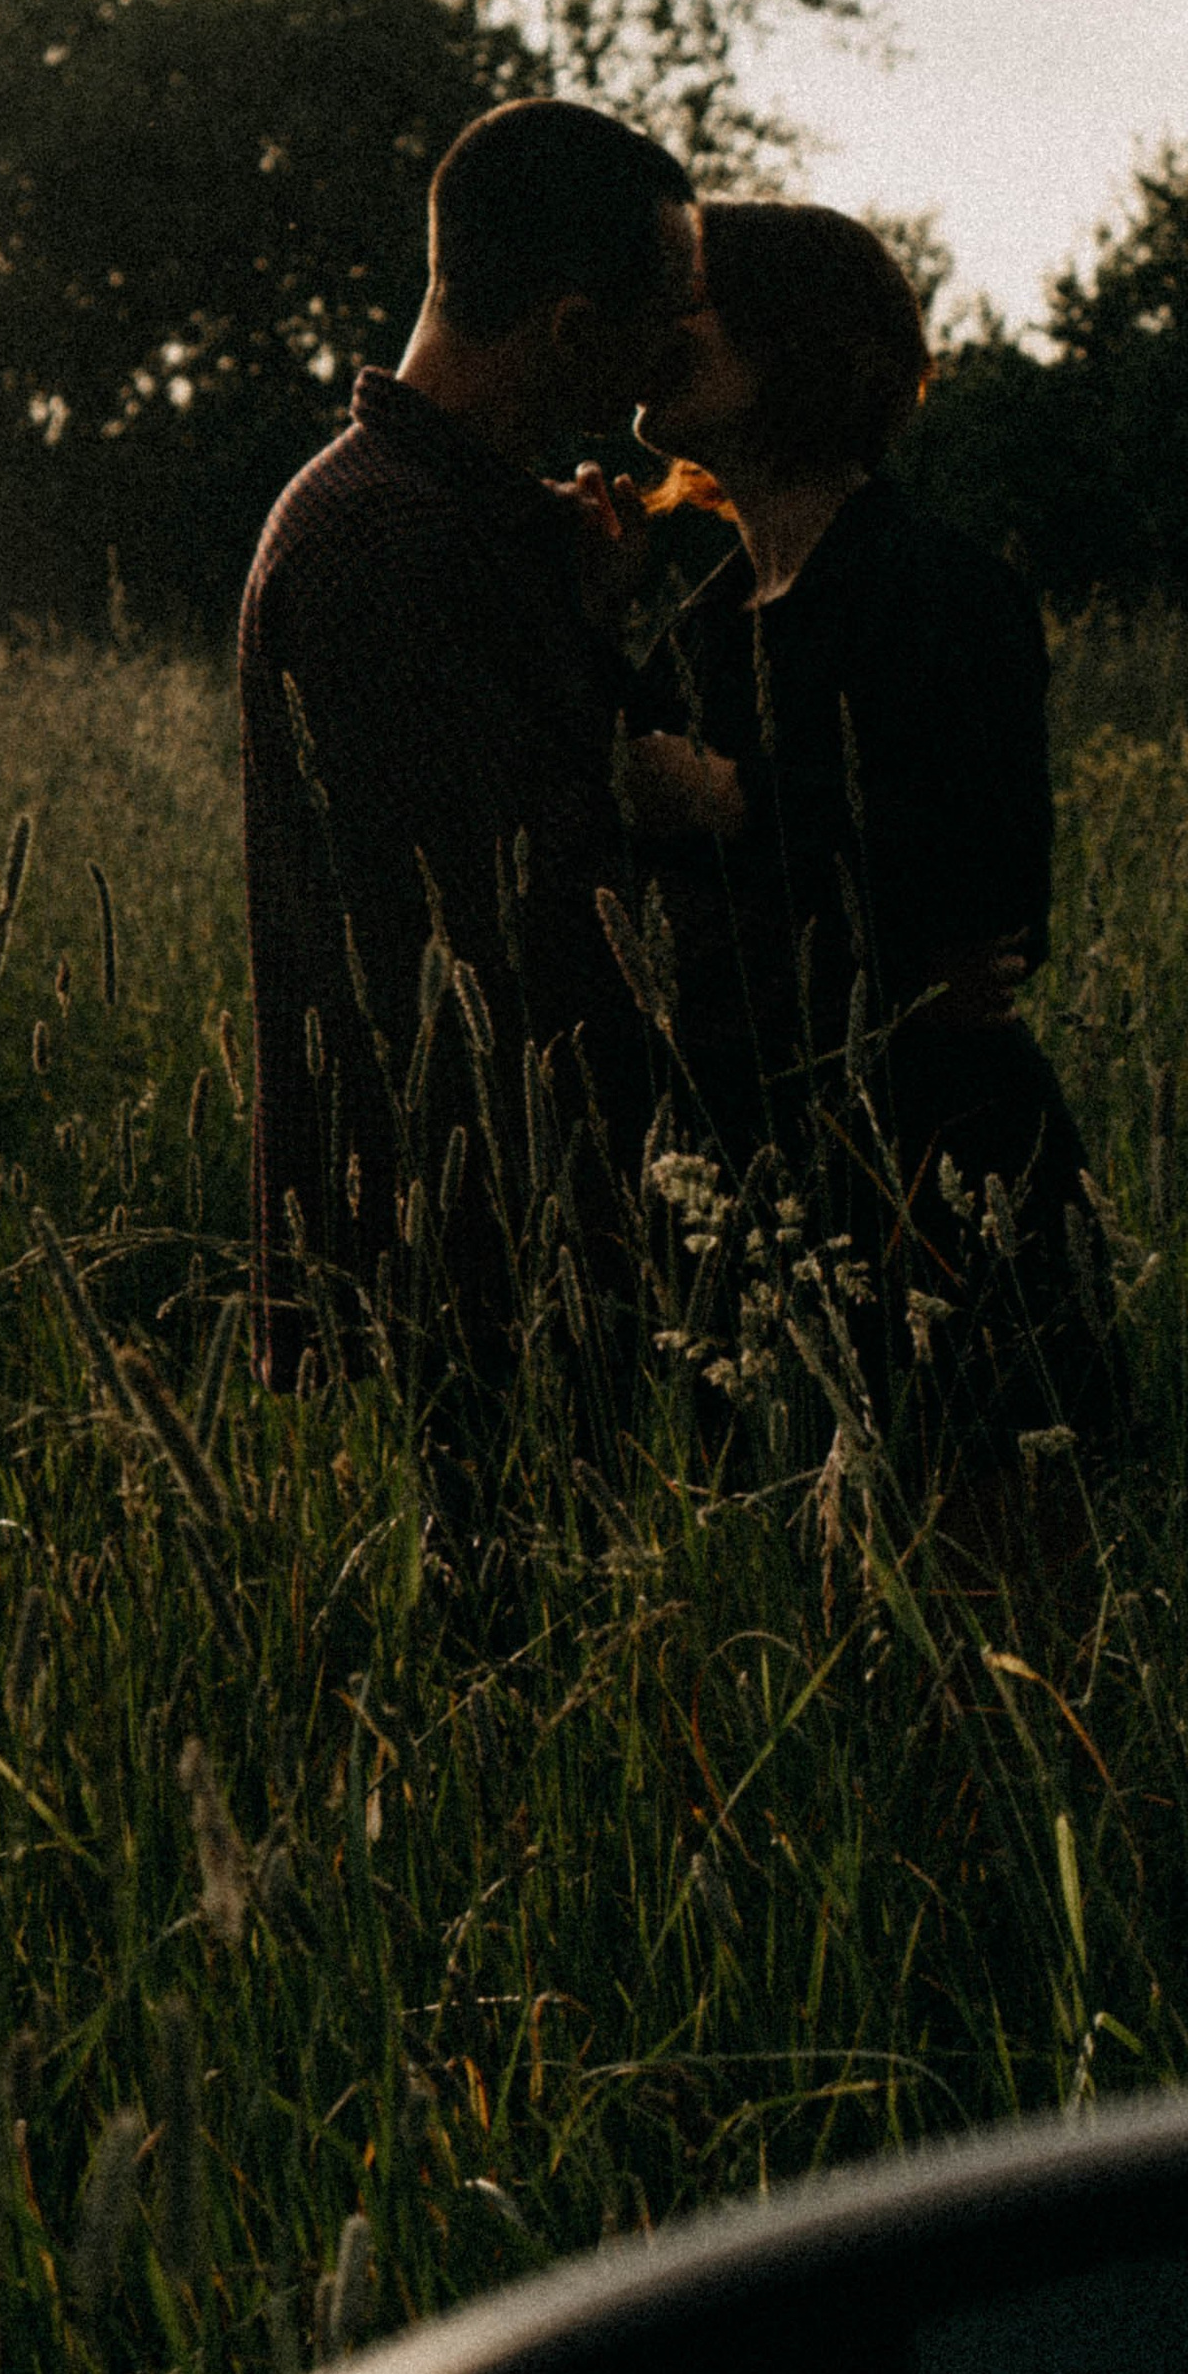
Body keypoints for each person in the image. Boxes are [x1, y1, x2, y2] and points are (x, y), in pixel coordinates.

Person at [624, 200, 1123, 1496]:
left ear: (789, 341)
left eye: (688, 300)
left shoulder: (937, 588)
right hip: (741, 1191)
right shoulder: (702, 626)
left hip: (936, 1172)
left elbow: (991, 904)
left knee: (976, 1563)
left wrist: (736, 805)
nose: (652, 325)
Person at [236, 97, 702, 1406]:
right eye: (665, 324)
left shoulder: (457, 519)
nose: (673, 364)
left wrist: (586, 612)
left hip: (502, 1233)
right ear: (573, 331)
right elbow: (503, 907)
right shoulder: (384, 538)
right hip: (451, 1261)